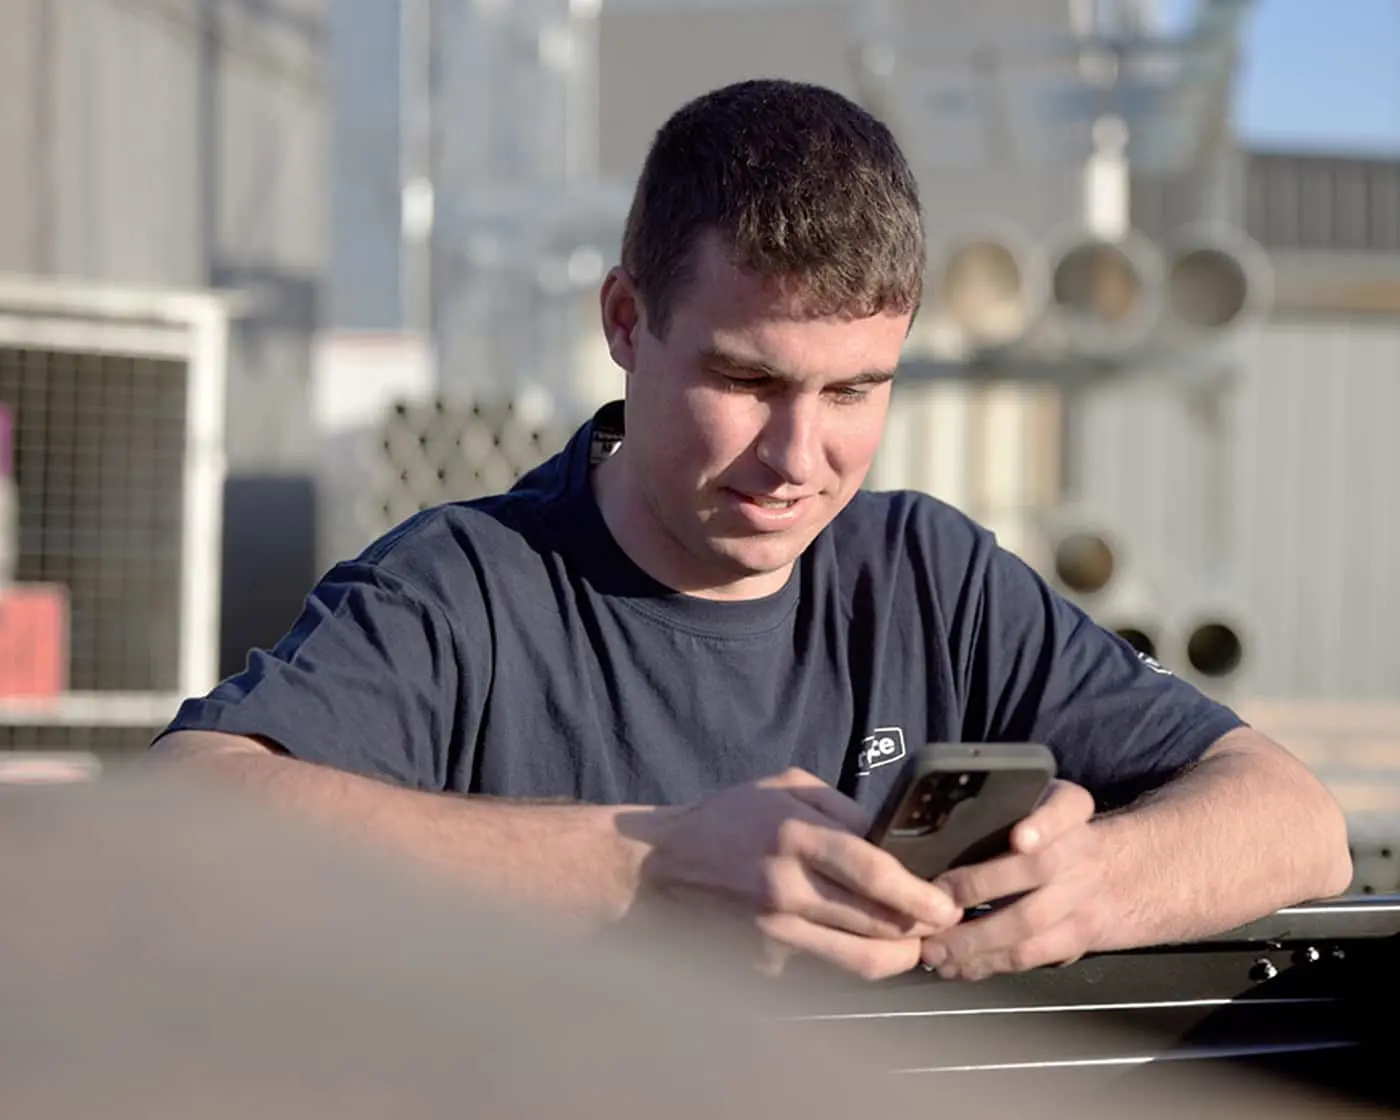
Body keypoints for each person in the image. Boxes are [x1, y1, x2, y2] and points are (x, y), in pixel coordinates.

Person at [150, 78, 1352, 984]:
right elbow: (181, 816)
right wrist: (652, 861)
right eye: (746, 381)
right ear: (626, 320)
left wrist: (1093, 885)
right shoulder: (468, 588)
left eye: (852, 392)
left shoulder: (928, 577)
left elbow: (1295, 823)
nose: (797, 460)